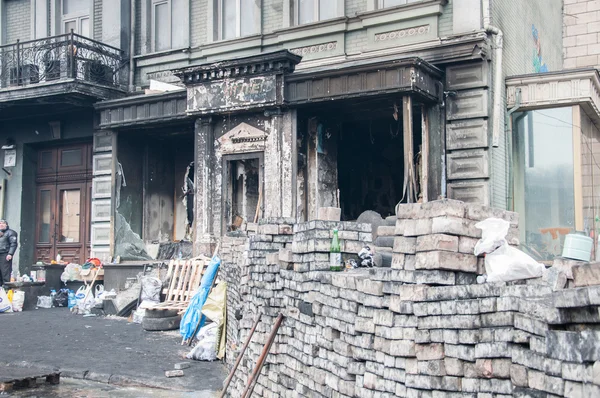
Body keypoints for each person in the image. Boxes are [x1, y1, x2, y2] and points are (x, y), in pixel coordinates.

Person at [0, 219, 17, 287]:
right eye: (0, 223)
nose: (1, 225)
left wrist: (10, 254)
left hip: (5, 254)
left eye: (3, 223)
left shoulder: (11, 233)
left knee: (5, 273)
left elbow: (13, 244)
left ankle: (6, 290)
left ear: (6, 225)